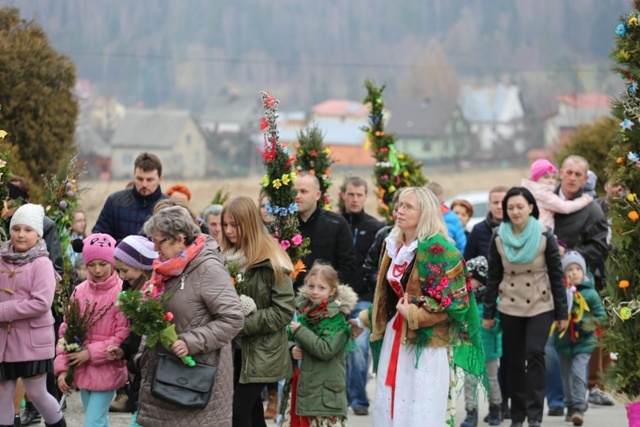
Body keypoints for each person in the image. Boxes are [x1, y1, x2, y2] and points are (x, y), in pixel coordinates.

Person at [350, 187, 485, 426]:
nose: (399, 211)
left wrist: (414, 313)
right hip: (396, 335)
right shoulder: (393, 244)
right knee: (391, 400)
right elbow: (389, 296)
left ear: (425, 212)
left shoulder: (441, 250)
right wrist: (364, 319)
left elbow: (457, 304)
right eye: (399, 205)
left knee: (419, 404)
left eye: (408, 207)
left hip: (426, 342)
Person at [135, 206, 244, 427]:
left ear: (180, 239)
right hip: (163, 377)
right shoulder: (166, 268)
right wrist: (142, 356)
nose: (154, 248)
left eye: (160, 242)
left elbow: (233, 318)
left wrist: (190, 341)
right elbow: (157, 316)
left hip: (194, 382)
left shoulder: (208, 269)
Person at [483, 187, 568, 427]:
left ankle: (534, 416)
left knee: (535, 354)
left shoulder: (544, 235)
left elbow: (556, 276)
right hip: (510, 304)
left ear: (531, 207)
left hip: (541, 303)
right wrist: (489, 312)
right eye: (510, 207)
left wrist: (561, 313)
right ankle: (517, 416)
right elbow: (493, 276)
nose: (515, 211)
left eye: (520, 206)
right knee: (515, 361)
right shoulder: (498, 236)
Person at [219, 196, 295, 427]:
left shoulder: (272, 260)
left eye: (235, 225)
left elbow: (282, 312)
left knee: (237, 411)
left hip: (264, 352)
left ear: (250, 223)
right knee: (252, 413)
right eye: (225, 225)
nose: (229, 231)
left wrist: (239, 323)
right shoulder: (225, 257)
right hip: (237, 351)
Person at [550, 155, 609, 413]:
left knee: (576, 342)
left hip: (579, 284)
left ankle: (576, 401)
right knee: (551, 346)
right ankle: (555, 400)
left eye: (578, 175)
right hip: (548, 282)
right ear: (561, 172)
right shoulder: (545, 201)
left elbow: (599, 246)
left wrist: (571, 259)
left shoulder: (592, 209)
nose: (572, 178)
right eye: (569, 172)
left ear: (586, 179)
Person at [0, 204, 67, 427]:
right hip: (4, 341)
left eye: (27, 230)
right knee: (2, 393)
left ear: (38, 233)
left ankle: (57, 423)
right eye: (16, 228)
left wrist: (4, 311)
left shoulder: (42, 263)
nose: (20, 234)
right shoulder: (1, 259)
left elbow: (41, 303)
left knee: (37, 392)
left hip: (33, 340)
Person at [54, 232, 129, 427]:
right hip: (81, 369)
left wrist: (90, 353)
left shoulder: (122, 291)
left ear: (113, 262)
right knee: (98, 421)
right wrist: (63, 368)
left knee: (92, 423)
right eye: (91, 264)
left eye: (103, 264)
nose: (97, 270)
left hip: (107, 369)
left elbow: (122, 335)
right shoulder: (79, 291)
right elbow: (66, 330)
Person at [281, 262, 357, 427]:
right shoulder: (299, 312)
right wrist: (291, 348)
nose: (314, 291)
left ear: (332, 291)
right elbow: (284, 339)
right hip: (300, 386)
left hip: (323, 397)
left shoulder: (336, 319)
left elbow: (326, 349)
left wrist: (301, 331)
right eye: (311, 286)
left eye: (321, 288)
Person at [463, 185, 510, 420]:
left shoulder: (515, 229)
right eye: (494, 202)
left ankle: (497, 409)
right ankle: (471, 412)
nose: (499, 207)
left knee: (493, 375)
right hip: (472, 331)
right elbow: (467, 260)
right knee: (470, 376)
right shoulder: (478, 230)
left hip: (503, 303)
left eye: (503, 202)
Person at [339, 176, 383, 416]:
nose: (355, 199)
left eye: (359, 195)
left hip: (364, 297)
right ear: (343, 195)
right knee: (336, 350)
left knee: (358, 349)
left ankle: (359, 399)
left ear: (366, 197)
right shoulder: (335, 223)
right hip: (337, 298)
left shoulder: (375, 227)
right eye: (351, 194)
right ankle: (341, 396)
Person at [553, 251, 606, 426]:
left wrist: (585, 324)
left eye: (578, 269)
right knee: (566, 375)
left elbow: (601, 317)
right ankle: (569, 406)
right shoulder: (560, 293)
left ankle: (578, 407)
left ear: (584, 272)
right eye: (569, 269)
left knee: (578, 372)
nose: (574, 273)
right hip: (563, 342)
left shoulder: (590, 294)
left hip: (584, 342)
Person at [106, 235, 158, 416]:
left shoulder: (152, 293)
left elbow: (144, 334)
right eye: (118, 271)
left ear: (142, 266)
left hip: (149, 364)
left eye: (125, 270)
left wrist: (133, 362)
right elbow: (132, 331)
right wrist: (124, 350)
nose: (121, 276)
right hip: (137, 361)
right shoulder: (129, 288)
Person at [293, 172, 356, 290]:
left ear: (317, 195)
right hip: (290, 296)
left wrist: (325, 288)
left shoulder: (336, 224)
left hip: (326, 298)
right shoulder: (284, 225)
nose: (297, 196)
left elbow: (347, 265)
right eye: (294, 191)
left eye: (303, 191)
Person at [460, 256, 503, 427]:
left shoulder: (491, 302)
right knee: (470, 381)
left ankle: (495, 408)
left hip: (489, 348)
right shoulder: (464, 300)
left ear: (482, 280)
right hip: (469, 347)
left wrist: (493, 324)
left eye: (471, 278)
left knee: (491, 380)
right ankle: (471, 412)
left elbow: (499, 324)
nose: (467, 281)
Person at [93, 152, 168, 241]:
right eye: (140, 179)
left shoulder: (169, 208)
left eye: (149, 180)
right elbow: (98, 238)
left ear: (160, 179)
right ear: (134, 176)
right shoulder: (114, 202)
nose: (144, 184)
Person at [520, 159, 591, 231]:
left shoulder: (529, 192)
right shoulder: (544, 195)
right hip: (542, 232)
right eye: (546, 177)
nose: (551, 181)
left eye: (553, 177)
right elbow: (565, 207)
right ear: (535, 179)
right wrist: (584, 200)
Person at [425, 182, 466, 252]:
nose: (431, 208)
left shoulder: (452, 219)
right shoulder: (418, 218)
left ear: (442, 202)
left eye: (435, 204)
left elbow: (462, 246)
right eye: (428, 204)